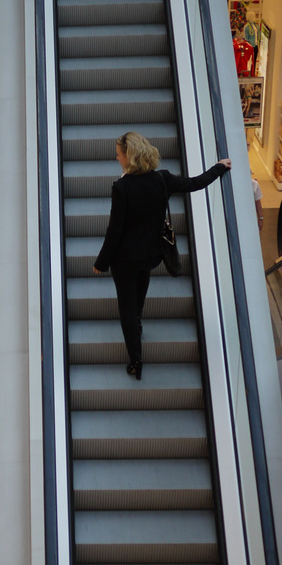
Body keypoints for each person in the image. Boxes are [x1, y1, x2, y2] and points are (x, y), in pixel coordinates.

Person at [93, 132, 231, 380]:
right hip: (150, 255)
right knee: (140, 292)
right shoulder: (162, 179)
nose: (116, 157)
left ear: (130, 157)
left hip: (124, 261)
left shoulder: (121, 188)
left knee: (126, 308)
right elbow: (195, 183)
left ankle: (136, 359)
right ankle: (138, 322)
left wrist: (100, 263)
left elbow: (115, 231)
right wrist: (219, 168)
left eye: (119, 154)